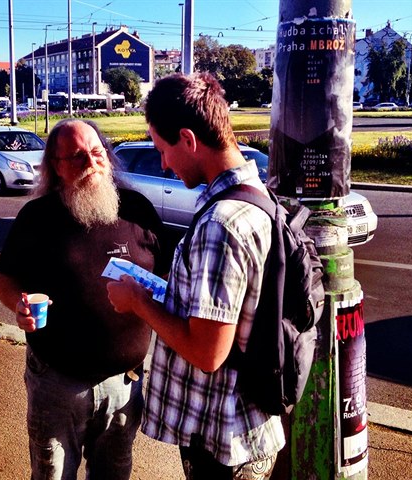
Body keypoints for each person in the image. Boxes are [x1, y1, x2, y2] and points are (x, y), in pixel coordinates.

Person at [106, 72, 285, 480]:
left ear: (188, 139)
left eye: (162, 149)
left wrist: (138, 302)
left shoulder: (221, 224)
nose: (164, 164)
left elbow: (208, 353)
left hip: (224, 443)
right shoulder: (258, 200)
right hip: (243, 428)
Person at [0, 118, 168, 480]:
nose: (90, 164)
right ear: (56, 166)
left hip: (125, 383)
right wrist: (18, 305)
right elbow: (4, 277)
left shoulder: (136, 209)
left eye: (96, 152)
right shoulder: (37, 218)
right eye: (76, 157)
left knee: (113, 474)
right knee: (53, 474)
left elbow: (165, 277)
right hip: (57, 383)